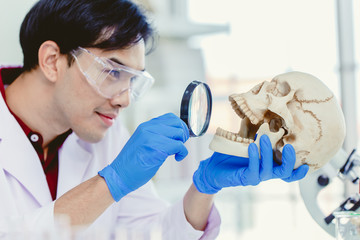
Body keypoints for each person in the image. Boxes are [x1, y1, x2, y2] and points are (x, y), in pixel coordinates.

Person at [0, 0, 309, 239]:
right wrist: (109, 184)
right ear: (52, 61)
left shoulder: (104, 133)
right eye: (112, 71)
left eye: (133, 81)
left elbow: (154, 233)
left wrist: (203, 188)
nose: (124, 99)